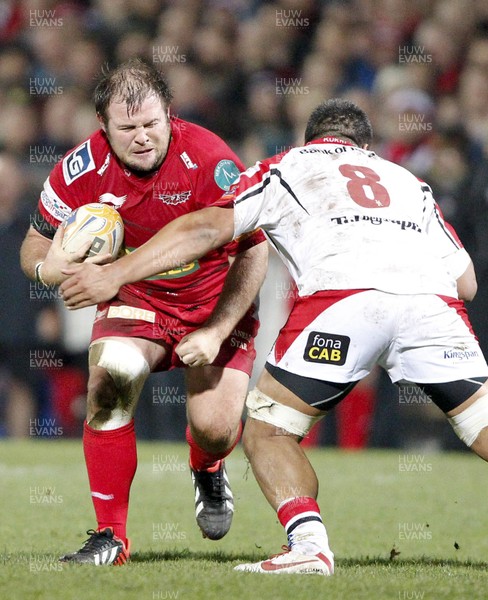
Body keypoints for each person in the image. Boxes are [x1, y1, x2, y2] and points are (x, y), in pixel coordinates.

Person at [60, 99, 488, 576]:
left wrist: (117, 272)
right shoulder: (408, 181)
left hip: (343, 305)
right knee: (479, 428)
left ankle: (309, 546)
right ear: (364, 147)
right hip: (432, 308)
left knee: (267, 431)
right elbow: (466, 282)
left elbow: (207, 226)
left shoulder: (287, 166)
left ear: (311, 141)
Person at [20, 58, 268, 565]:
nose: (142, 137)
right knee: (109, 385)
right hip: (138, 301)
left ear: (170, 115)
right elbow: (33, 244)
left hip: (214, 301)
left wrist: (221, 327)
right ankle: (111, 537)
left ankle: (207, 467)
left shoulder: (210, 158)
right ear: (103, 128)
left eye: (152, 124)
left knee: (216, 429)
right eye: (127, 128)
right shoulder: (81, 169)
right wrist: (51, 268)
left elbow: (255, 248)